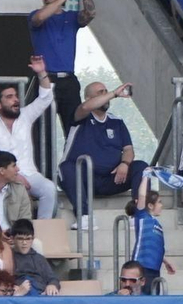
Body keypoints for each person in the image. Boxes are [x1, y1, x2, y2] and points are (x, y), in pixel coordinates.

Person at [60, 81, 147, 231]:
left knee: (141, 167)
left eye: (106, 91)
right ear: (88, 98)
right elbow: (86, 107)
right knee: (67, 167)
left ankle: (137, 214)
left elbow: (128, 149)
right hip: (83, 180)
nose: (106, 96)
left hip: (111, 179)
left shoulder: (117, 122)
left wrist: (124, 164)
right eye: (101, 93)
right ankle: (85, 216)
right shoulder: (80, 116)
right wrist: (113, 93)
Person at [0, 57, 58, 219]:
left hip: (30, 174)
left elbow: (45, 98)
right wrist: (15, 177)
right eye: (9, 97)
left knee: (49, 188)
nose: (16, 100)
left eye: (15, 96)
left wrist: (41, 73)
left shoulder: (25, 115)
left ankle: (41, 231)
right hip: (4, 176)